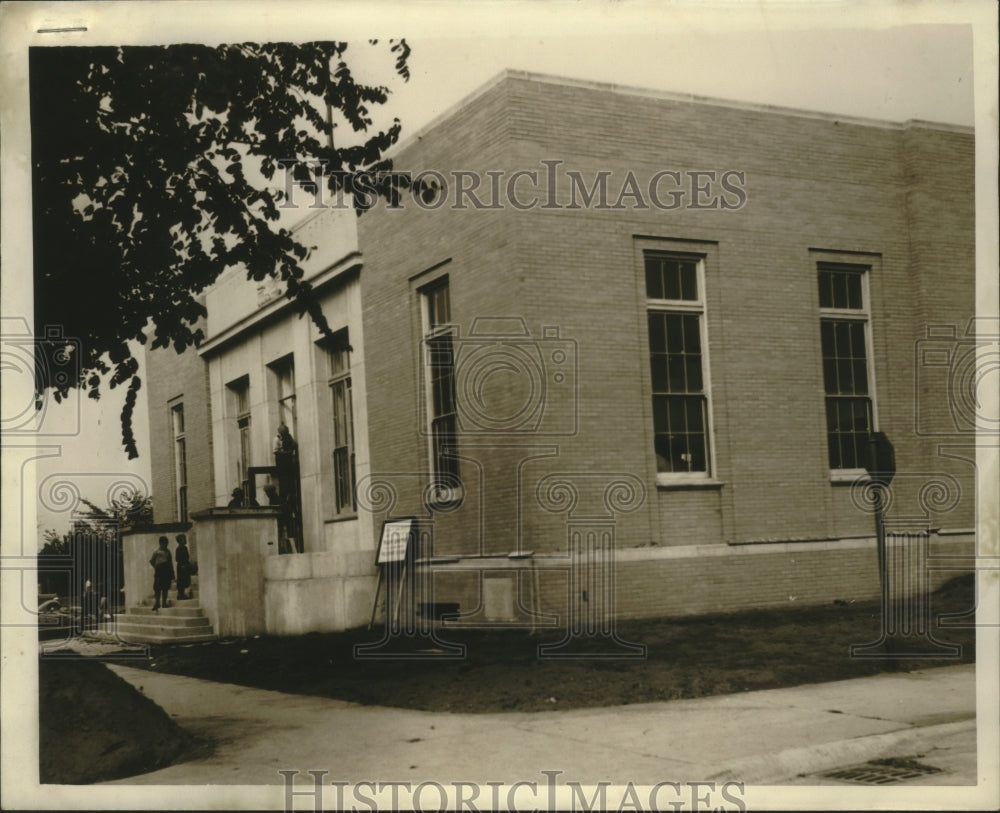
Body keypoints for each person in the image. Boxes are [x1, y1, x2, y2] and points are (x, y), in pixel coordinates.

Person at [149, 536, 174, 612]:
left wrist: (172, 572)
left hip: (166, 571)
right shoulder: (157, 552)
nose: (165, 545)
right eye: (163, 543)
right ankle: (157, 603)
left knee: (165, 587)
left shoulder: (168, 552)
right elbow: (151, 561)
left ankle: (164, 602)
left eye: (166, 543)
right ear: (160, 544)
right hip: (159, 571)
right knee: (157, 588)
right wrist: (156, 567)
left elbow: (170, 562)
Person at [175, 534, 192, 601]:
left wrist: (187, 564)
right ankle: (180, 595)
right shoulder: (178, 549)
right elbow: (177, 559)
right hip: (181, 567)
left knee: (186, 580)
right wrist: (182, 565)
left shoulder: (185, 548)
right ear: (180, 541)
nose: (185, 540)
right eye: (184, 539)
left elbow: (187, 557)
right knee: (181, 581)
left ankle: (183, 594)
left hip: (185, 566)